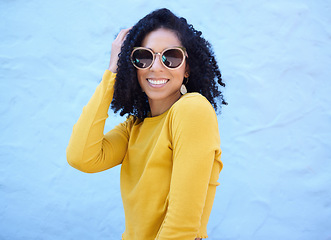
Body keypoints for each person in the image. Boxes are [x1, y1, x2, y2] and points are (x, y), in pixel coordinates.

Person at [67, 8, 226, 240]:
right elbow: (81, 157)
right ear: (133, 66)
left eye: (171, 57)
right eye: (144, 56)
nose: (156, 67)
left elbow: (181, 227)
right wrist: (112, 71)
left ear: (187, 67)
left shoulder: (193, 109)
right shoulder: (134, 128)